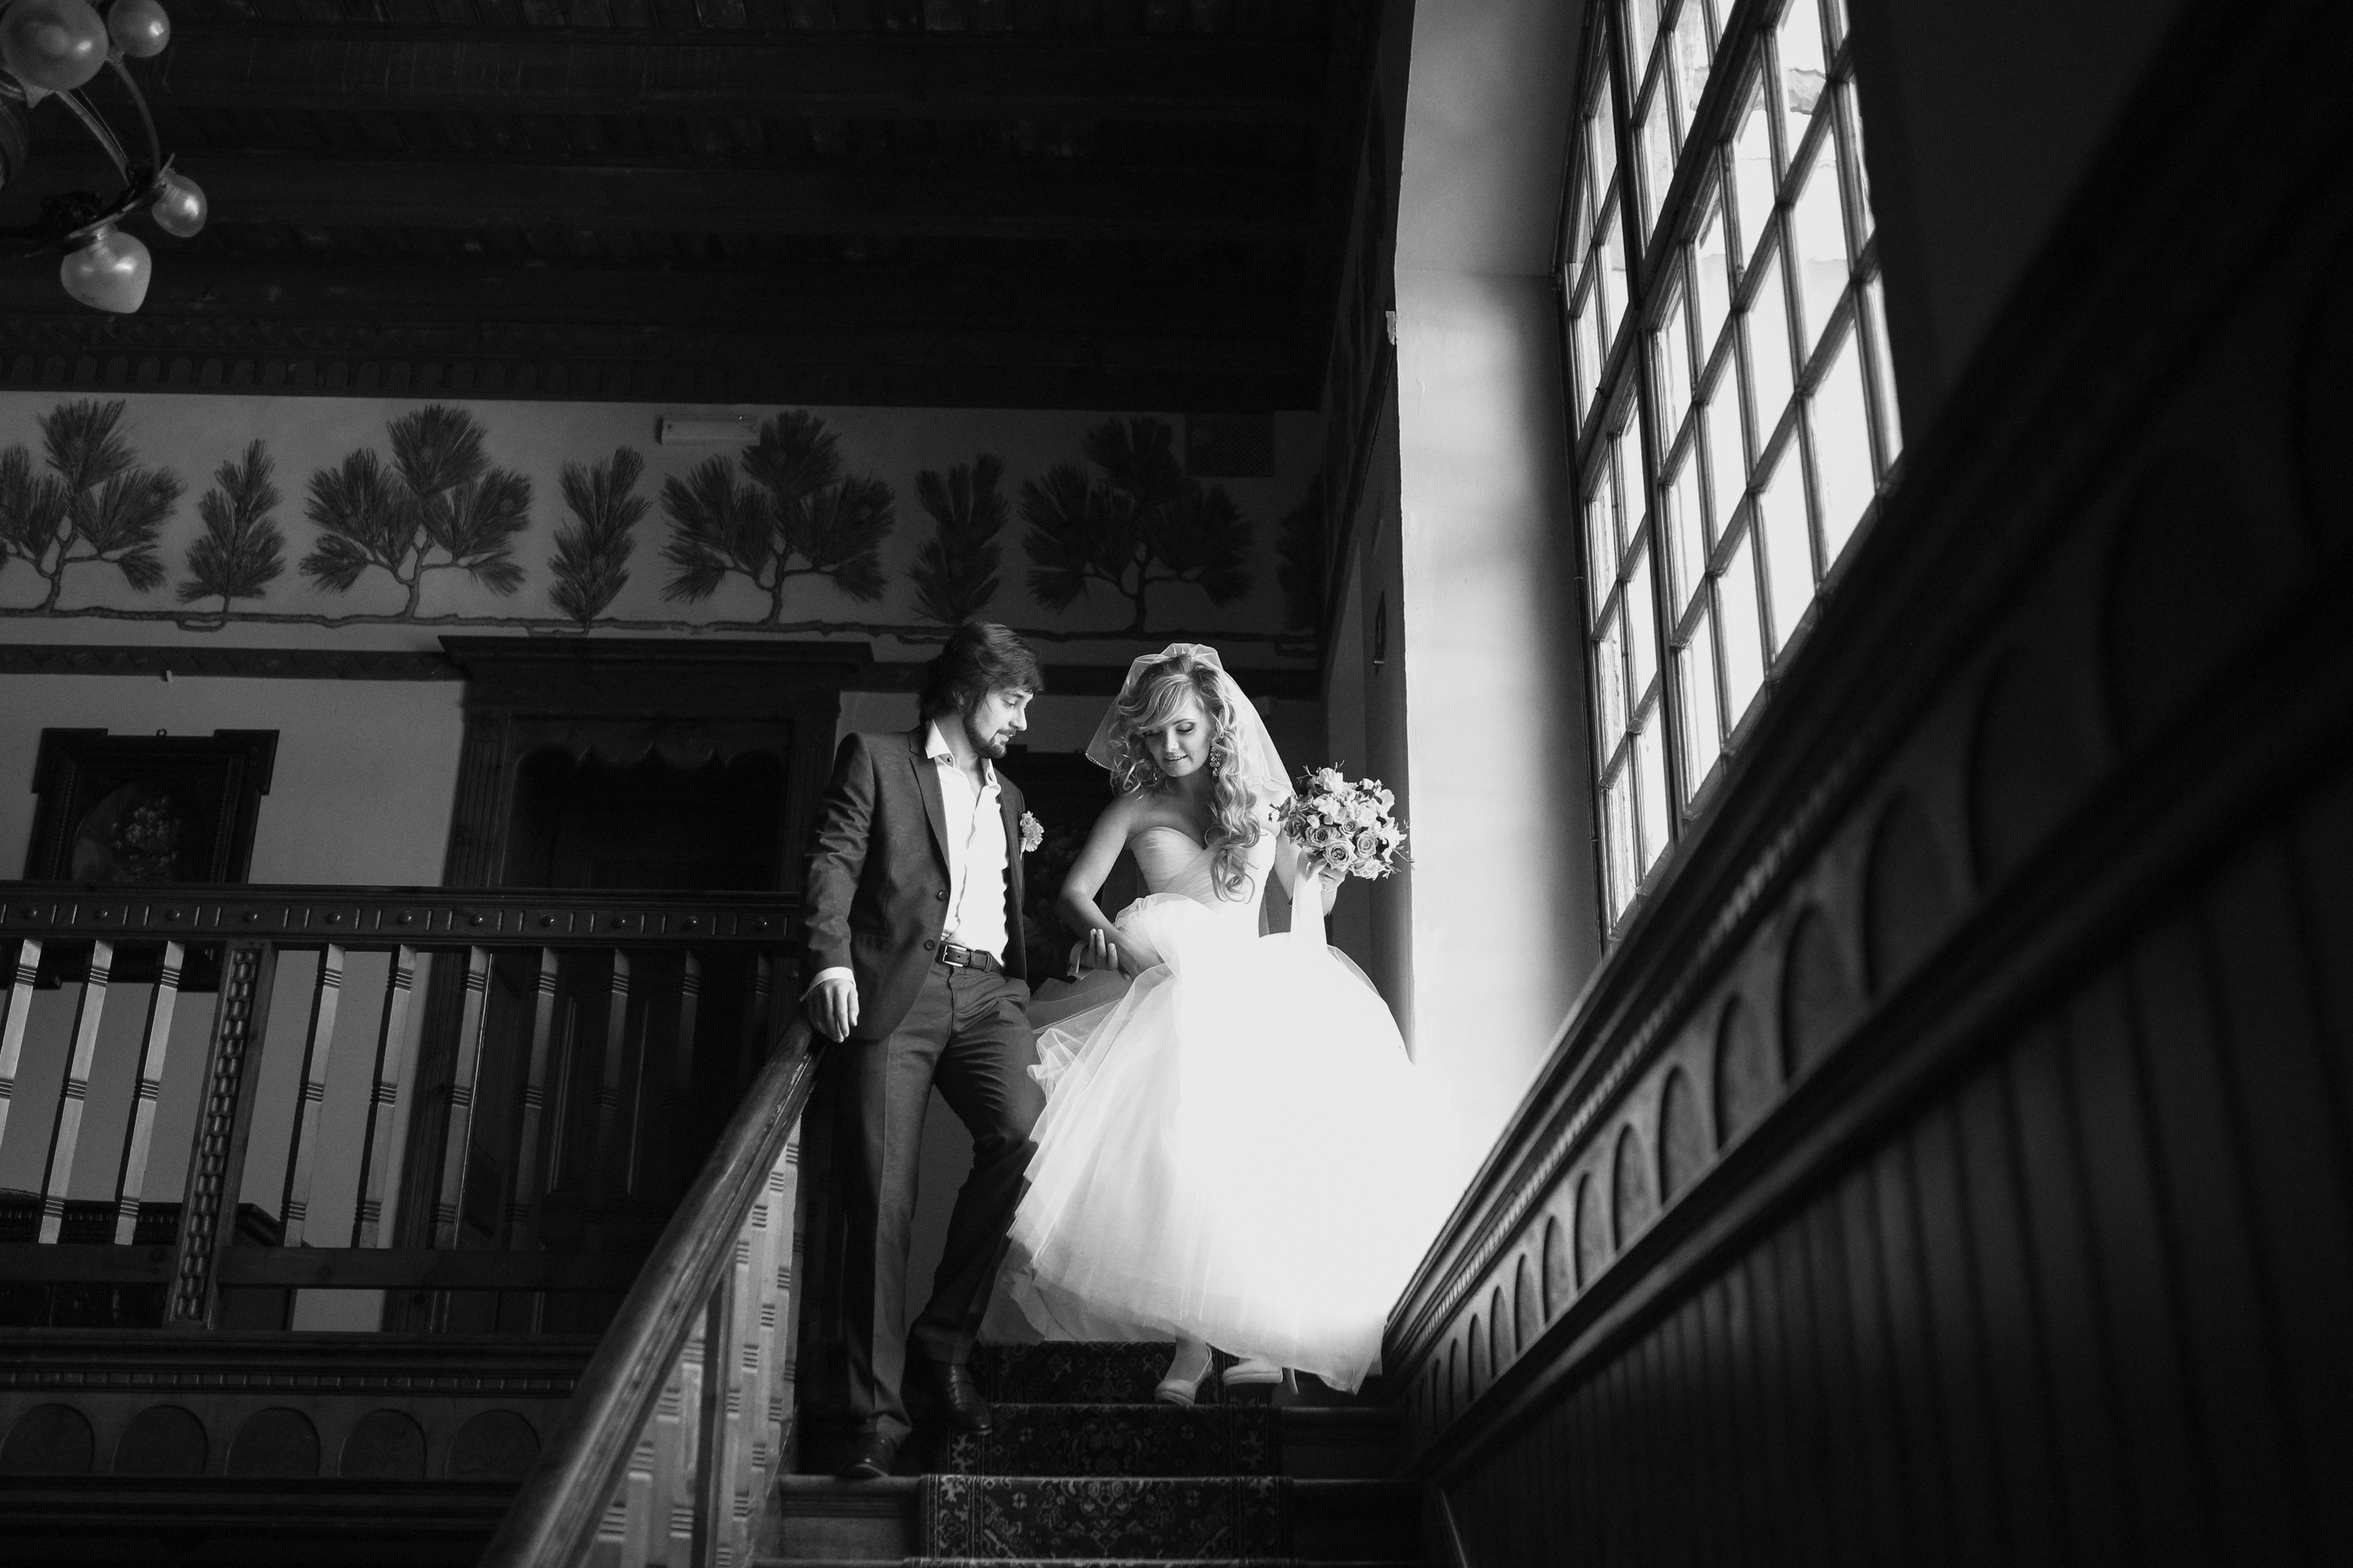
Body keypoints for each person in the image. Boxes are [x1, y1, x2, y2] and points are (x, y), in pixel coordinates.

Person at [1001, 643, 1445, 1402]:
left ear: (1215, 722)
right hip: (1169, 986)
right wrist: (1112, 940)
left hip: (1251, 986)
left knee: (1256, 1153)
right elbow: (1074, 894)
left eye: (1183, 729)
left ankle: (1255, 1334)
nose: (1169, 747)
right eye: (1153, 735)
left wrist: (1333, 859)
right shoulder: (1135, 807)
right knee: (1178, 1158)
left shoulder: (1263, 805)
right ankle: (1191, 1342)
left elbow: (1307, 898)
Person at [801, 622, 1046, 1480]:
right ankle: (873, 1419)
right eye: (1012, 700)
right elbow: (832, 860)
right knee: (881, 1201)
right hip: (893, 991)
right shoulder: (875, 757)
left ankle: (941, 1341)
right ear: (967, 689)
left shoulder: (1010, 797)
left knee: (1030, 1137)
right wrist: (829, 960)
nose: (1021, 720)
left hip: (987, 993)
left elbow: (999, 902)